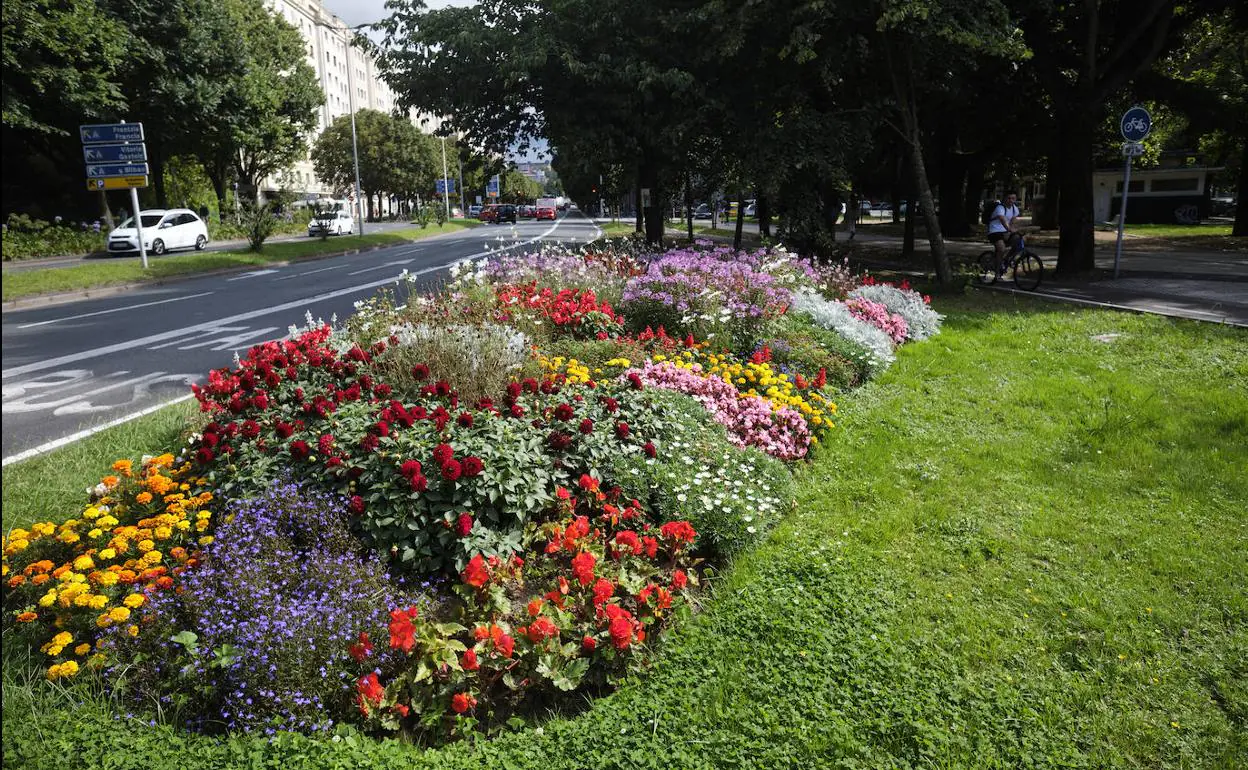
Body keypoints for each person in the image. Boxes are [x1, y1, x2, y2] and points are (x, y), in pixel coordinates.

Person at [987, 190, 1020, 273]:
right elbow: (1002, 219)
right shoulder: (1000, 208)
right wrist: (1009, 229)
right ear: (1005, 198)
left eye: (1013, 198)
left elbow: (1013, 220)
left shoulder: (1014, 209)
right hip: (994, 231)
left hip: (1005, 232)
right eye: (1009, 198)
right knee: (1002, 249)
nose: (1011, 200)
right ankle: (997, 272)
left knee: (1019, 241)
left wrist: (1013, 229)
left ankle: (1006, 260)